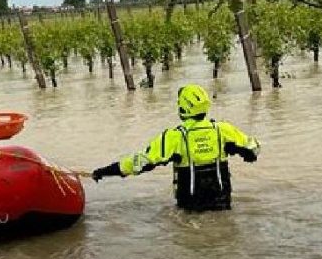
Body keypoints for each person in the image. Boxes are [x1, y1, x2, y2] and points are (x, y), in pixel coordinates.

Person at [91, 84, 260, 211]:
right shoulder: (223, 130)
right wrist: (242, 152)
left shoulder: (175, 136)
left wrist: (104, 171)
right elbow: (254, 148)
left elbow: (139, 163)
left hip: (190, 207)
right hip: (222, 203)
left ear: (182, 107)